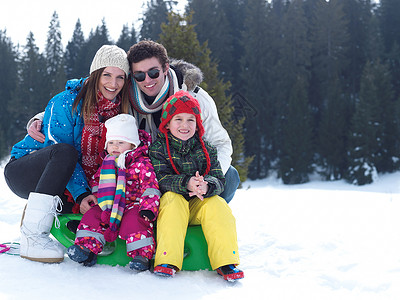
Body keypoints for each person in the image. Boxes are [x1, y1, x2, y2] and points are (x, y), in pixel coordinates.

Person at [28, 40, 240, 204]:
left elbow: (221, 143)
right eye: (139, 75)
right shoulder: (125, 95)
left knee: (229, 177)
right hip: (150, 173)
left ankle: (201, 217)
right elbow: (91, 90)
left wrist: (204, 180)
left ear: (166, 68)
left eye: (153, 72)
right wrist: (42, 117)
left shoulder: (195, 98)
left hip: (192, 170)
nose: (147, 80)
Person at [4, 45, 131, 263]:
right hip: (26, 171)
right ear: (95, 75)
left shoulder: (119, 111)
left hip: (68, 181)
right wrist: (81, 195)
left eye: (120, 77)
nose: (113, 83)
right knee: (65, 152)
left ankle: (51, 213)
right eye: (107, 75)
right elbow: (58, 150)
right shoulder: (65, 102)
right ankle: (33, 237)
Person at [149, 90, 244, 281]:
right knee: (172, 200)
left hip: (198, 203)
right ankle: (167, 260)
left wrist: (207, 186)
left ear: (198, 123)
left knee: (218, 205)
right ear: (167, 123)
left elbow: (219, 178)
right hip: (172, 205)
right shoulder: (158, 148)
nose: (185, 125)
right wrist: (186, 183)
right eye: (179, 119)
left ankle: (226, 261)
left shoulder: (206, 148)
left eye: (190, 120)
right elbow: (160, 179)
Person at [67, 114, 160, 270]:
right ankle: (86, 249)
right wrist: (96, 197)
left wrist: (148, 208)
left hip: (133, 204)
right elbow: (98, 181)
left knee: (135, 222)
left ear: (132, 145)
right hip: (109, 203)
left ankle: (141, 256)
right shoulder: (107, 163)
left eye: (120, 142)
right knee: (93, 216)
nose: (115, 147)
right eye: (111, 143)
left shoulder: (141, 163)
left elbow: (149, 186)